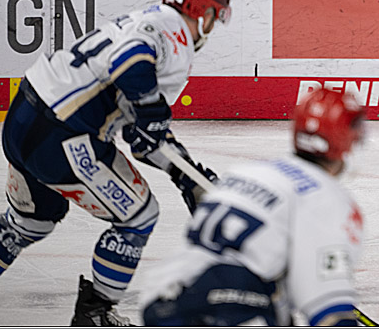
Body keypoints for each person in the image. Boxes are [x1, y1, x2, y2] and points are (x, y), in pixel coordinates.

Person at [0, 0, 232, 327]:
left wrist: (185, 174)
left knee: (33, 221)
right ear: (197, 7)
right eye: (213, 9)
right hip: (62, 133)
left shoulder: (146, 18)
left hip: (24, 115)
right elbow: (132, 63)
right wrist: (151, 114)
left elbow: (142, 136)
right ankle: (95, 314)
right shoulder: (174, 32)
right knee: (139, 216)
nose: (215, 19)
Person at [140, 87, 366, 326]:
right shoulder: (327, 198)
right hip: (229, 307)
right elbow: (329, 311)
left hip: (162, 294)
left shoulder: (248, 172)